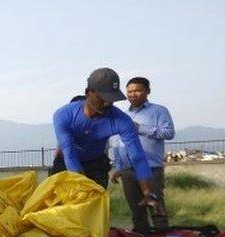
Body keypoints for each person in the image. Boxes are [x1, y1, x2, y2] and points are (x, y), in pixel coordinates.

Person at [51, 68, 163, 215]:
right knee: (62, 209)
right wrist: (82, 188)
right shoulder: (64, 115)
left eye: (112, 99)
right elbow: (69, 154)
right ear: (88, 92)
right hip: (66, 163)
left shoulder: (121, 120)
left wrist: (147, 192)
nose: (107, 104)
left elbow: (138, 157)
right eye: (102, 98)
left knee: (94, 210)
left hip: (97, 164)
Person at [109, 76, 175, 234]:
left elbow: (169, 132)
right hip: (128, 171)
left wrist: (140, 128)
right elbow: (116, 142)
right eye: (130, 91)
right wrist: (118, 166)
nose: (133, 94)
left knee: (157, 210)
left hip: (151, 169)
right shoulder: (122, 115)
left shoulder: (159, 111)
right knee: (137, 213)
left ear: (148, 91)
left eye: (138, 90)